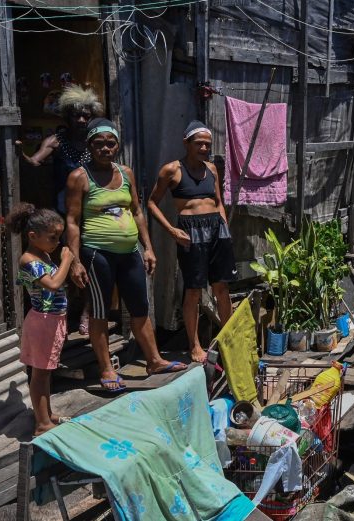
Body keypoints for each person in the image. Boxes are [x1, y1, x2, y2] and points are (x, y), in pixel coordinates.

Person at [66, 118, 187, 392]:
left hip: (130, 251)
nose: (105, 149)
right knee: (100, 312)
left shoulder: (126, 173)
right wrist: (75, 261)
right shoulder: (79, 177)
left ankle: (154, 360)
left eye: (110, 144)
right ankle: (107, 368)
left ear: (117, 146)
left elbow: (137, 211)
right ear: (90, 146)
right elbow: (72, 221)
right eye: (99, 144)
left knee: (140, 307)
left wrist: (149, 247)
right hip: (98, 254)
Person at [148, 120, 236, 364]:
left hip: (216, 229)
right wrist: (171, 230)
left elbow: (217, 201)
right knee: (194, 290)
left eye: (207, 144)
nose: (204, 148)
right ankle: (194, 344)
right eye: (199, 144)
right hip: (190, 231)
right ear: (186, 143)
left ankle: (227, 339)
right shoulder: (172, 170)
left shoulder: (212, 169)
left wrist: (224, 227)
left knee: (222, 287)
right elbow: (152, 202)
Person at [19, 84, 102, 335]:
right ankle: (59, 312)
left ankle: (88, 310)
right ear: (66, 116)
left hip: (91, 210)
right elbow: (34, 161)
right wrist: (17, 151)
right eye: (76, 114)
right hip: (64, 213)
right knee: (64, 259)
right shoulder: (56, 141)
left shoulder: (94, 143)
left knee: (91, 261)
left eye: (85, 115)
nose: (80, 119)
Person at [6, 202, 73, 435]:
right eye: (53, 238)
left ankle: (46, 414)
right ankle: (42, 424)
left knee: (46, 371)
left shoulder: (43, 254)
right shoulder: (29, 259)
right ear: (33, 236)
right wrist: (67, 260)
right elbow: (53, 285)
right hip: (43, 322)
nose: (58, 243)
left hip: (53, 320)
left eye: (59, 238)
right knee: (39, 374)